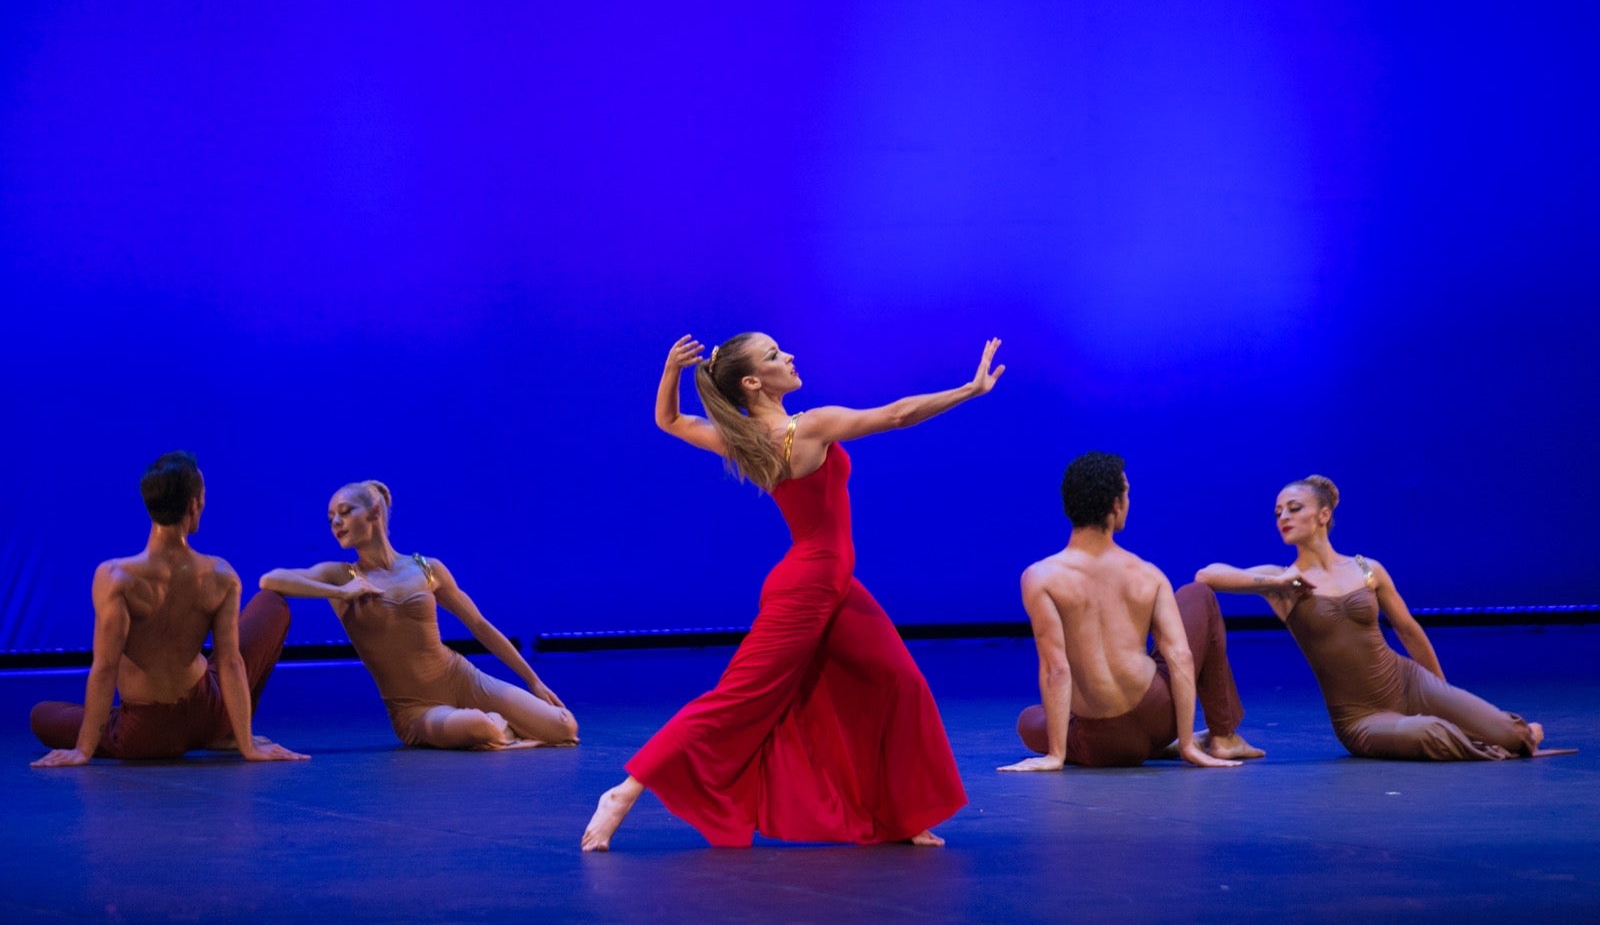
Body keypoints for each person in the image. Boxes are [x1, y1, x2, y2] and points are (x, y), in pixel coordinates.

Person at [580, 333, 1001, 851]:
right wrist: (968, 390)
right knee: (736, 701)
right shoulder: (809, 427)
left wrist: (671, 372)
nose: (790, 357)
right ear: (752, 382)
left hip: (832, 585)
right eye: (775, 356)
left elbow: (669, 420)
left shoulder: (747, 438)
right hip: (807, 590)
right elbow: (895, 415)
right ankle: (623, 792)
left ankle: (901, 816)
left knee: (900, 682)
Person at [1195, 475, 1552, 761]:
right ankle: (1472, 739)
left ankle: (1508, 735)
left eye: (1294, 508)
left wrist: (1444, 692)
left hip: (1409, 683)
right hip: (1361, 718)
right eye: (1277, 513)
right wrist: (1275, 582)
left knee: (1511, 732)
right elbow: (1207, 575)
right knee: (1432, 733)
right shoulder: (1283, 581)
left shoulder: (1367, 568)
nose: (1283, 518)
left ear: (1323, 515)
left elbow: (1408, 631)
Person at [31, 451, 306, 766]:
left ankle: (217, 732)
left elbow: (106, 667)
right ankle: (228, 733)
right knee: (272, 604)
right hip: (210, 715)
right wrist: (248, 746)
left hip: (145, 735)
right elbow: (231, 662)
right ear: (194, 505)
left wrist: (83, 749)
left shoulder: (115, 577)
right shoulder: (221, 575)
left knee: (42, 714)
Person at [259, 481, 577, 750]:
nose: (336, 523)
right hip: (416, 709)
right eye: (331, 518)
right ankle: (497, 729)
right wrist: (341, 592)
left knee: (564, 726)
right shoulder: (340, 575)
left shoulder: (426, 568)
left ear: (374, 512)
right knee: (480, 727)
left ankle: (503, 730)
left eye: (345, 512)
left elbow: (479, 625)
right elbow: (271, 579)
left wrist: (533, 681)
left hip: (462, 678)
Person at [1000, 452, 1262, 773]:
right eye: (1127, 493)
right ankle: (1223, 736)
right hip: (1160, 716)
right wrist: (1187, 743)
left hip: (1105, 745)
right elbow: (1180, 656)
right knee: (1198, 594)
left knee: (1029, 720)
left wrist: (1056, 755)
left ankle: (1149, 744)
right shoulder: (1147, 573)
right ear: (1115, 505)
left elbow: (1056, 669)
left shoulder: (1040, 577)